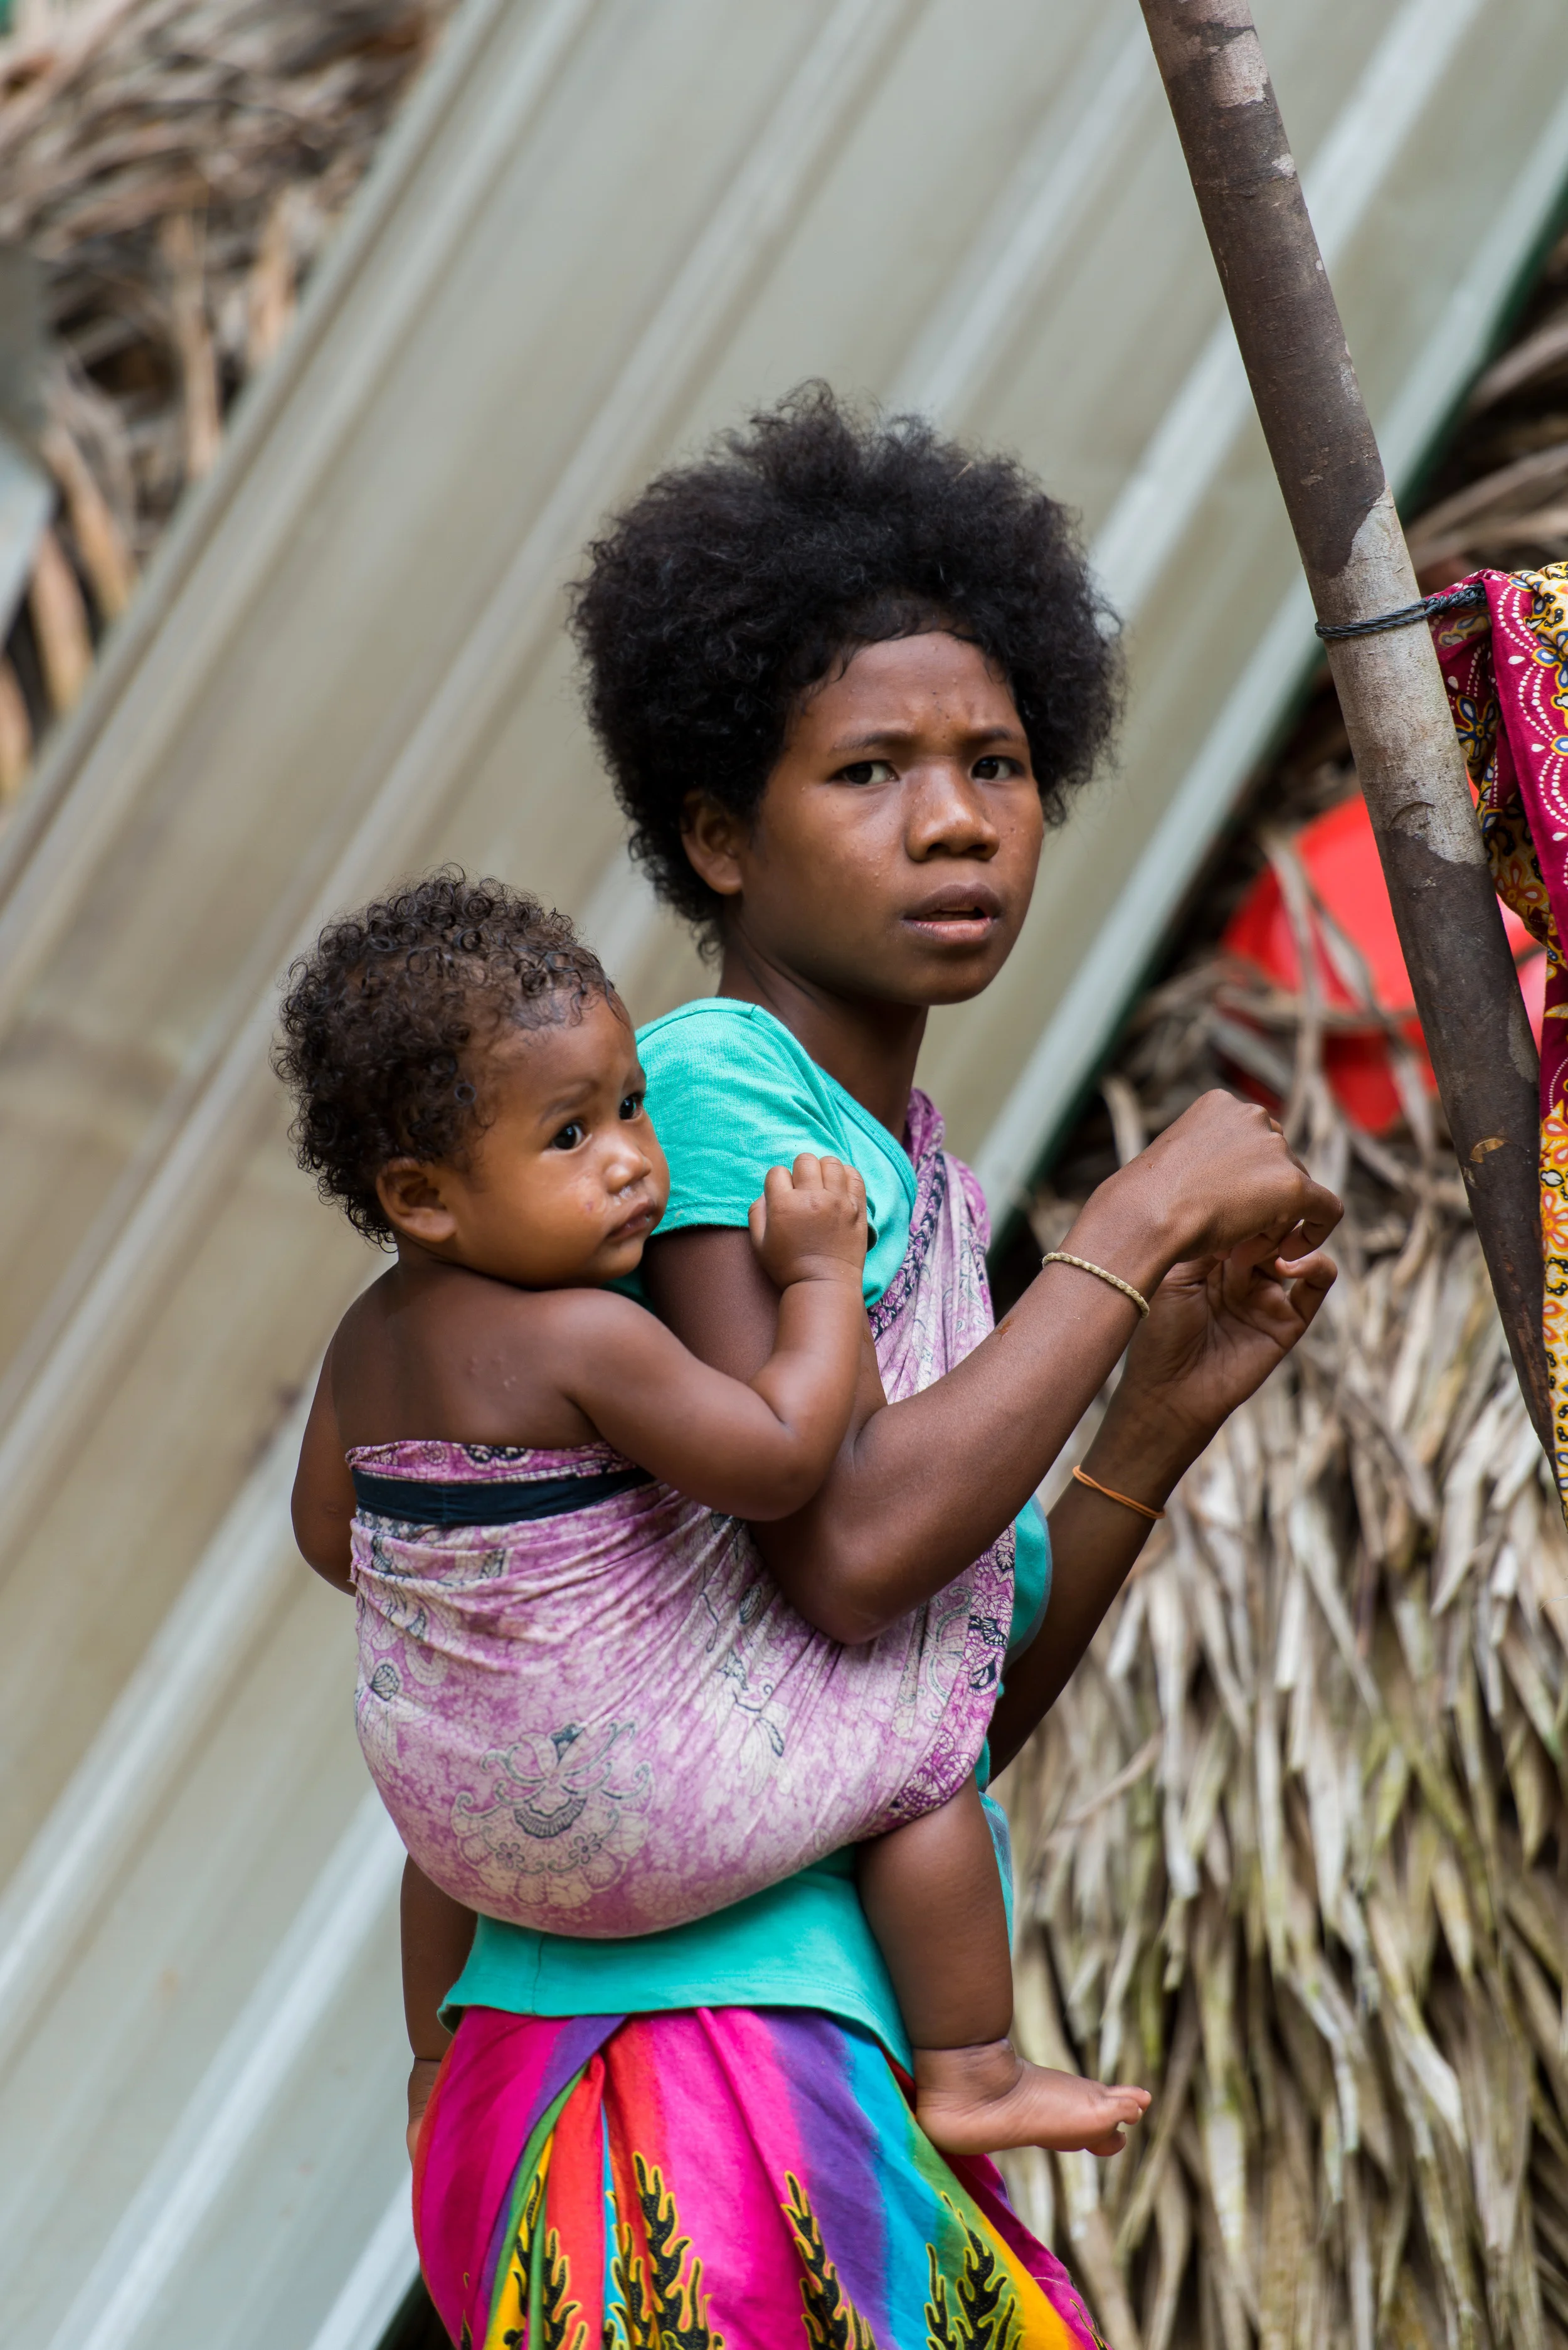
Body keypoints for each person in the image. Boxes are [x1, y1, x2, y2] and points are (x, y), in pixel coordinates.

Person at [397, 388, 1341, 2350]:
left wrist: (1148, 1414)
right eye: (871, 770)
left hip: (782, 2033)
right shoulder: (722, 1097)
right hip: (684, 2081)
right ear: (716, 835)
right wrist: (1133, 1227)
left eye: (996, 760)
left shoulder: (902, 1168)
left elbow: (922, 1713)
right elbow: (838, 1553)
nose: (955, 818)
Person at [283, 870, 1153, 2171]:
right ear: (421, 1198)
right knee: (915, 1756)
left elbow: (324, 1531)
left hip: (457, 1825)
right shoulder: (583, 1335)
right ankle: (974, 2068)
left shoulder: (363, 1342)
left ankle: (434, 2071)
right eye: (569, 1137)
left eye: (630, 1104)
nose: (635, 1157)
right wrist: (813, 1281)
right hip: (642, 1819)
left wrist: (492, 1600)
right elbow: (782, 1462)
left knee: (452, 1814)